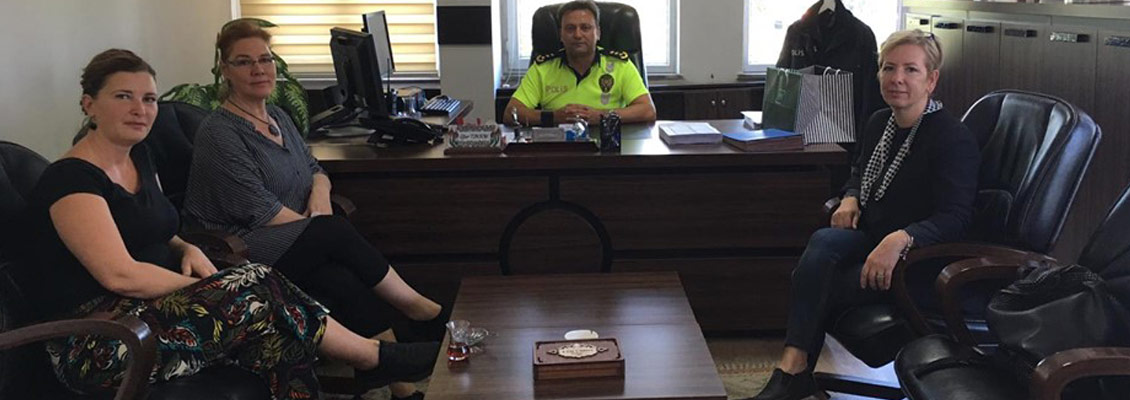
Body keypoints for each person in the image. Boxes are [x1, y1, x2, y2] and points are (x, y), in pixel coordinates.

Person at [7, 49, 437, 399]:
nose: (140, 109)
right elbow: (119, 274)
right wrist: (212, 288)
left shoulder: (139, 156)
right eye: (123, 97)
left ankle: (373, 359)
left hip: (154, 313)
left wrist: (185, 246)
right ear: (89, 104)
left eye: (149, 99)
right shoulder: (71, 179)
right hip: (103, 340)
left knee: (275, 332)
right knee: (254, 287)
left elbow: (155, 228)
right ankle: (373, 357)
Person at [749, 30, 980, 400]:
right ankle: (794, 367)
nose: (897, 78)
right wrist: (851, 197)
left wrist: (902, 238)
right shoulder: (879, 123)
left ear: (931, 80)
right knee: (823, 242)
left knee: (818, 280)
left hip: (917, 257)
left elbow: (956, 217)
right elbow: (859, 171)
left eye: (911, 70)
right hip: (872, 233)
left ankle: (793, 372)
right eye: (889, 68)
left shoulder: (952, 138)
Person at [502, 0, 656, 127]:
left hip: (608, 145)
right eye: (570, 28)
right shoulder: (543, 68)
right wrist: (553, 117)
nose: (577, 35)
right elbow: (510, 113)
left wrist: (601, 116)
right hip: (558, 146)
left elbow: (648, 110)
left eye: (585, 28)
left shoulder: (620, 65)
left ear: (598, 33)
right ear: (561, 34)